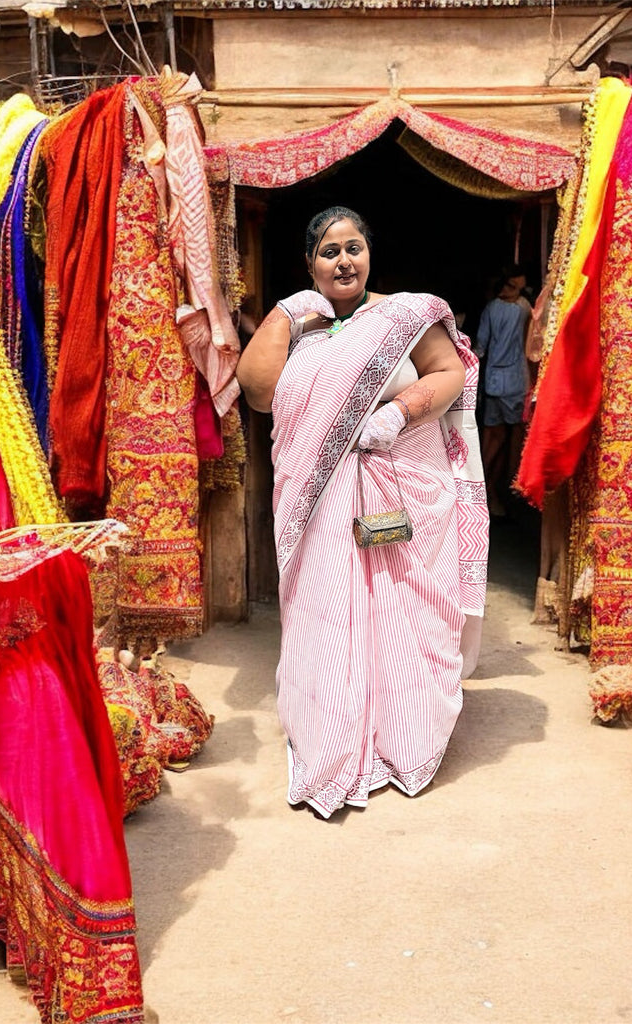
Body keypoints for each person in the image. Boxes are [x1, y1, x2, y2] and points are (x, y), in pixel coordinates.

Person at [236, 206, 488, 818]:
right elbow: (259, 393)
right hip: (319, 505)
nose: (344, 261)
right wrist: (285, 312)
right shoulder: (302, 325)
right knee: (327, 611)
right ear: (310, 264)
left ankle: (405, 734)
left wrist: (400, 412)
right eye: (330, 252)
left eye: (354, 248)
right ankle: (333, 735)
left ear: (369, 254)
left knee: (405, 609)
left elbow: (450, 371)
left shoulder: (404, 315)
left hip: (397, 491)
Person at [473, 266, 532, 516]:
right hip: (516, 383)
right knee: (513, 439)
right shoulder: (523, 308)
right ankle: (506, 492)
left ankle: (486, 492)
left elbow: (480, 347)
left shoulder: (492, 308)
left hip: (495, 382)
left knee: (493, 439)